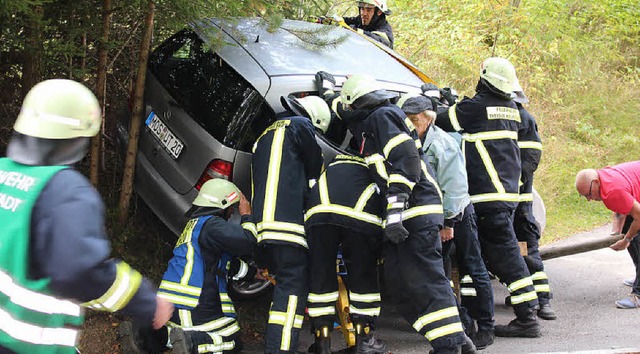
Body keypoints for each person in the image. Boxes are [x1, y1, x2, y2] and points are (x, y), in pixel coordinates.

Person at [0, 79, 173, 353]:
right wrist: (147, 302)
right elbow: (80, 273)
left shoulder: (3, 174)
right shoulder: (65, 191)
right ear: (77, 139)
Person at [336, 73, 476, 354]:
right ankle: (460, 341)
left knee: (424, 282)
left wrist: (396, 210)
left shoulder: (382, 116)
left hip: (415, 212)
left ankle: (449, 347)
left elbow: (407, 161)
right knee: (403, 286)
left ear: (355, 104)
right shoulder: (376, 123)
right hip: (410, 215)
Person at [436, 57, 541, 338]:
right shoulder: (511, 109)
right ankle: (521, 313)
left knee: (504, 255)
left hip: (486, 196)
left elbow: (443, 120)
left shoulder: (476, 108)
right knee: (497, 253)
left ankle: (527, 316)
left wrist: (444, 103)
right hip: (505, 194)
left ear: (484, 78)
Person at [398, 94, 495, 350]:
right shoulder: (411, 140)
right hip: (435, 218)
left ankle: (486, 327)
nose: (410, 124)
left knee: (474, 267)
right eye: (406, 119)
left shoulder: (442, 144)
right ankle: (459, 329)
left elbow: (454, 188)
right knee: (440, 275)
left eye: (414, 120)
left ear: (427, 120)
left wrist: (448, 223)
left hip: (457, 215)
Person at [120, 178, 257, 353]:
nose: (231, 213)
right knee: (232, 340)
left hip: (170, 302)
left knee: (176, 334)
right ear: (221, 204)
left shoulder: (196, 227)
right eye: (230, 208)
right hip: (194, 301)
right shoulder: (212, 224)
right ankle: (193, 344)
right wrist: (247, 215)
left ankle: (144, 336)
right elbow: (247, 242)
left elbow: (223, 263)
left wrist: (253, 273)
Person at [251, 95, 327, 353]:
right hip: (289, 229)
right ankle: (281, 350)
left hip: (263, 229)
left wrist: (260, 258)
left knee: (283, 293)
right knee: (292, 297)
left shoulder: (264, 137)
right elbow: (315, 165)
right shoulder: (300, 125)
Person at [305, 154, 386, 354]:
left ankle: (322, 342)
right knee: (362, 276)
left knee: (320, 278)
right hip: (360, 218)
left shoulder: (330, 168)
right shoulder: (372, 166)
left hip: (318, 217)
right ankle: (364, 339)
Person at [512, 88, 557, 320]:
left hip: (518, 204)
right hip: (511, 202)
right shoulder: (505, 118)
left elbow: (527, 162)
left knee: (527, 251)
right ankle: (529, 297)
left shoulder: (522, 120)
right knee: (515, 253)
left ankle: (542, 300)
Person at [575, 161, 640, 308]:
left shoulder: (611, 190)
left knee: (636, 237)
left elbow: (639, 216)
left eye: (589, 194)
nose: (589, 199)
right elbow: (621, 208)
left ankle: (638, 294)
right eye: (584, 196)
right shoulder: (605, 180)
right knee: (630, 230)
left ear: (596, 182)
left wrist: (627, 239)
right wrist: (617, 233)